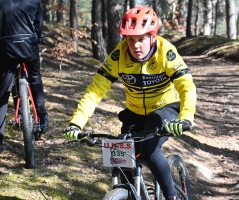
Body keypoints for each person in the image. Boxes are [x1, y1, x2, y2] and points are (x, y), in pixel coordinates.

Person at [63, 6, 196, 200]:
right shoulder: (119, 56)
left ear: (153, 36)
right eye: (130, 39)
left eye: (141, 39)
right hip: (135, 112)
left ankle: (171, 196)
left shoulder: (166, 52)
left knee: (149, 150)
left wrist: (185, 118)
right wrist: (76, 123)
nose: (135, 46)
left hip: (165, 109)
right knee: (122, 155)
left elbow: (186, 86)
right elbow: (95, 90)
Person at [0, 0, 50, 153]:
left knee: (2, 95)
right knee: (35, 79)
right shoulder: (34, 1)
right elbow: (38, 25)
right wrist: (38, 37)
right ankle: (41, 118)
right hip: (29, 46)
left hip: (6, 48)